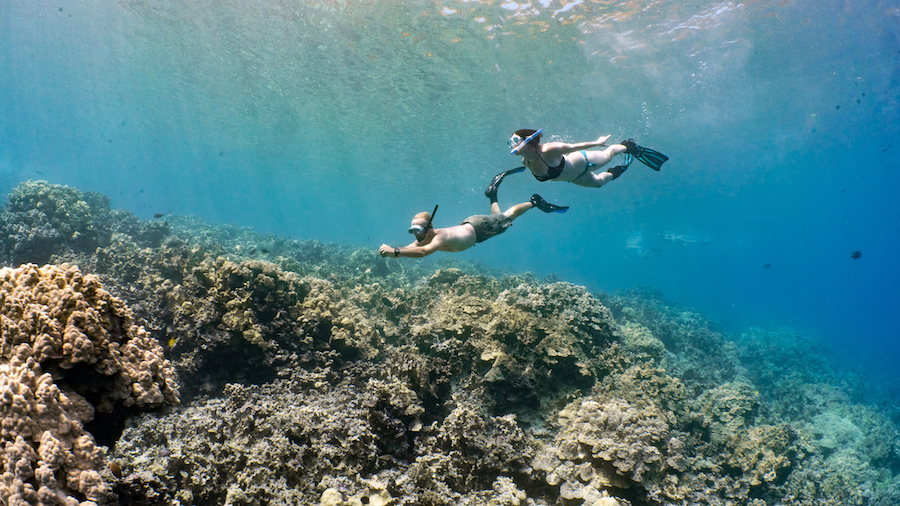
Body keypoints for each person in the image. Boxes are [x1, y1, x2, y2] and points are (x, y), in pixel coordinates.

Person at [378, 168, 567, 258]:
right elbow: (413, 247)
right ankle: (492, 195)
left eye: (418, 230)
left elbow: (424, 252)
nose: (416, 234)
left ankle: (533, 202)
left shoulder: (438, 237)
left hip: (479, 227)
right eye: (412, 231)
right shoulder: (424, 237)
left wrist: (395, 251)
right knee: (499, 219)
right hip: (475, 227)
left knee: (508, 217)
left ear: (430, 227)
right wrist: (393, 252)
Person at [505, 128, 669, 188]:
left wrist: (597, 143)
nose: (512, 145)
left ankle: (629, 147)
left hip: (582, 161)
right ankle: (617, 171)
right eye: (511, 142)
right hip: (575, 177)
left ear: (528, 140)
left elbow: (572, 147)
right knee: (598, 184)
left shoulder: (547, 150)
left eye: (515, 141)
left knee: (608, 154)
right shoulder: (525, 162)